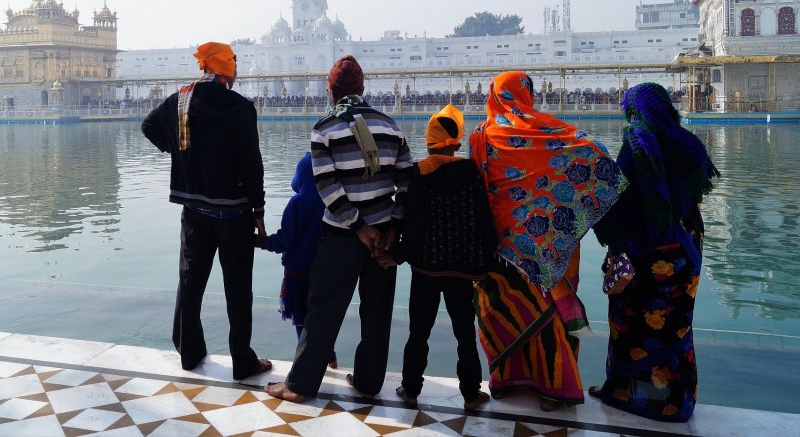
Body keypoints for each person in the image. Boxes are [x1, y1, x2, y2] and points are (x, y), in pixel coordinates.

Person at [468, 71, 621, 411]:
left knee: (504, 308)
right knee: (549, 311)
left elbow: (477, 189)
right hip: (549, 241)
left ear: (494, 95)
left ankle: (507, 380)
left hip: (502, 244)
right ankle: (556, 387)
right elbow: (596, 153)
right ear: (528, 95)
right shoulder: (550, 131)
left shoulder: (481, 135)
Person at [266, 55, 413, 402]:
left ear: (330, 91)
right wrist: (391, 228)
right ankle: (367, 381)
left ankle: (300, 385)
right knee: (376, 314)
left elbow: (328, 188)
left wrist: (360, 227)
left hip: (342, 238)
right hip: (384, 241)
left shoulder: (325, 129)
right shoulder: (391, 126)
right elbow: (408, 184)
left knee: (323, 310)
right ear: (363, 88)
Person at [141, 41, 271, 380]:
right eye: (235, 62)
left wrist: (180, 155)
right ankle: (242, 362)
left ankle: (189, 352)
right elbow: (251, 164)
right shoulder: (240, 106)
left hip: (195, 210)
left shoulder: (180, 100)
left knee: (191, 282)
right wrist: (259, 211)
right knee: (238, 290)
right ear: (226, 67)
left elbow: (148, 126)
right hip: (234, 213)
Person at [590, 83, 719, 422]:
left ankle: (625, 392)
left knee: (631, 320)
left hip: (646, 252)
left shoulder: (636, 145)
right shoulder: (688, 144)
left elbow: (619, 203)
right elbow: (691, 193)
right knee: (675, 323)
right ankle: (676, 401)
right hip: (686, 248)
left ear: (634, 110)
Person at [384, 104, 495, 410]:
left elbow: (414, 226)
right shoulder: (471, 171)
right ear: (457, 143)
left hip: (426, 270)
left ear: (428, 141)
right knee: (464, 334)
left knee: (418, 332)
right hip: (462, 270)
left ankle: (410, 389)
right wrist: (488, 260)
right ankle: (471, 394)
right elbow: (484, 219)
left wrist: (397, 255)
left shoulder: (417, 174)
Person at [258, 151, 337, 369]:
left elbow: (285, 240)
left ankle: (306, 364)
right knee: (319, 317)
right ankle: (329, 355)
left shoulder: (298, 203)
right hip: (323, 272)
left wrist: (262, 242)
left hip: (296, 274)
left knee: (301, 320)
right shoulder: (333, 202)